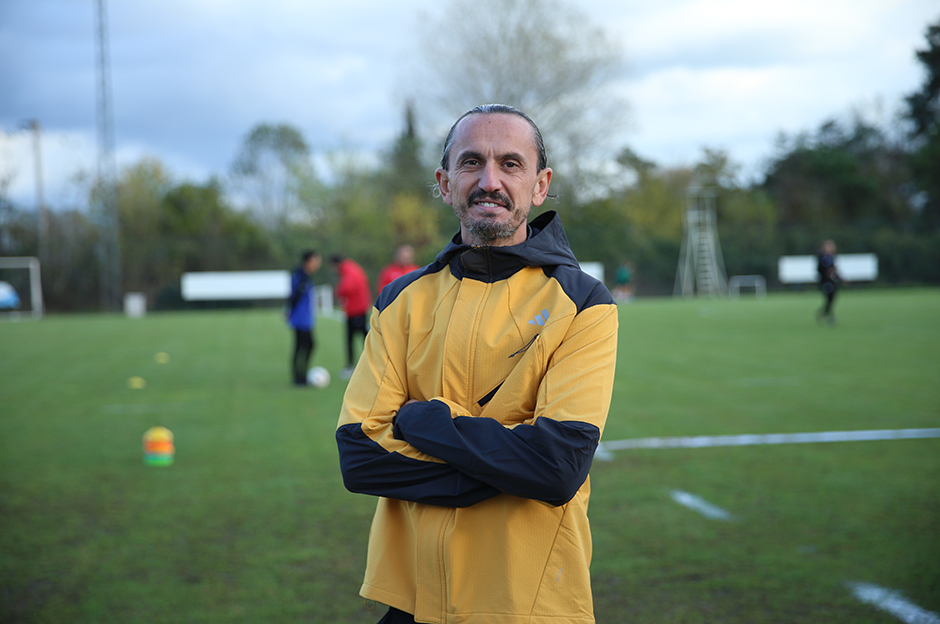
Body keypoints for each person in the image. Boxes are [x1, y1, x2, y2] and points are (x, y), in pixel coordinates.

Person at [336, 104, 618, 624]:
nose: (490, 180)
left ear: (540, 184)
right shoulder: (399, 301)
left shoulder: (583, 303)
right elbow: (360, 455)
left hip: (527, 604)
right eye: (472, 163)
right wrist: (509, 463)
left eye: (511, 164)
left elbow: (557, 468)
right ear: (445, 183)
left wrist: (426, 422)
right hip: (414, 599)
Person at [331, 254, 372, 379]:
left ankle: (360, 366)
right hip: (355, 309)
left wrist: (338, 293)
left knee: (362, 339)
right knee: (357, 338)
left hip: (357, 310)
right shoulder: (350, 268)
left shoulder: (349, 270)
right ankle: (355, 365)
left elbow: (347, 287)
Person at [286, 250, 321, 386]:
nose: (318, 264)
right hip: (300, 319)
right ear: (309, 261)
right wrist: (289, 310)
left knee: (304, 345)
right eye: (316, 260)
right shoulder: (300, 276)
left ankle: (300, 376)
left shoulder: (305, 276)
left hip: (305, 318)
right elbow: (294, 296)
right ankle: (299, 377)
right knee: (305, 345)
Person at [816, 239, 842, 325]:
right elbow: (824, 270)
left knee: (831, 298)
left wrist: (839, 278)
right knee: (829, 298)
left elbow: (834, 270)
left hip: (831, 282)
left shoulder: (831, 257)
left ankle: (824, 313)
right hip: (825, 282)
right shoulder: (822, 257)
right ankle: (828, 315)